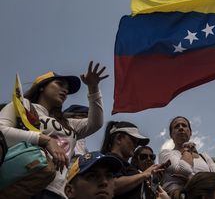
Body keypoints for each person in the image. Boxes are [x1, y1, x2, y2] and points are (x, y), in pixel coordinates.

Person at [0, 61, 107, 198]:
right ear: (42, 87)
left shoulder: (68, 123)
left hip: (57, 191)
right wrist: (45, 140)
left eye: (67, 89)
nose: (65, 90)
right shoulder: (22, 106)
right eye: (59, 84)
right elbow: (1, 131)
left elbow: (96, 123)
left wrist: (93, 87)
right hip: (23, 184)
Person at [159, 116, 215, 198]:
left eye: (184, 125)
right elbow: (184, 170)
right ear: (171, 135)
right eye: (176, 126)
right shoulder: (166, 153)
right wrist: (187, 148)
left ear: (190, 132)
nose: (181, 128)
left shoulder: (204, 157)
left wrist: (191, 180)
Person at [100, 121, 165, 199]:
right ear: (119, 138)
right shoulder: (109, 160)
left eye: (137, 143)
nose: (136, 146)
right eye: (134, 141)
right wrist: (145, 174)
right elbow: (111, 186)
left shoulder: (131, 168)